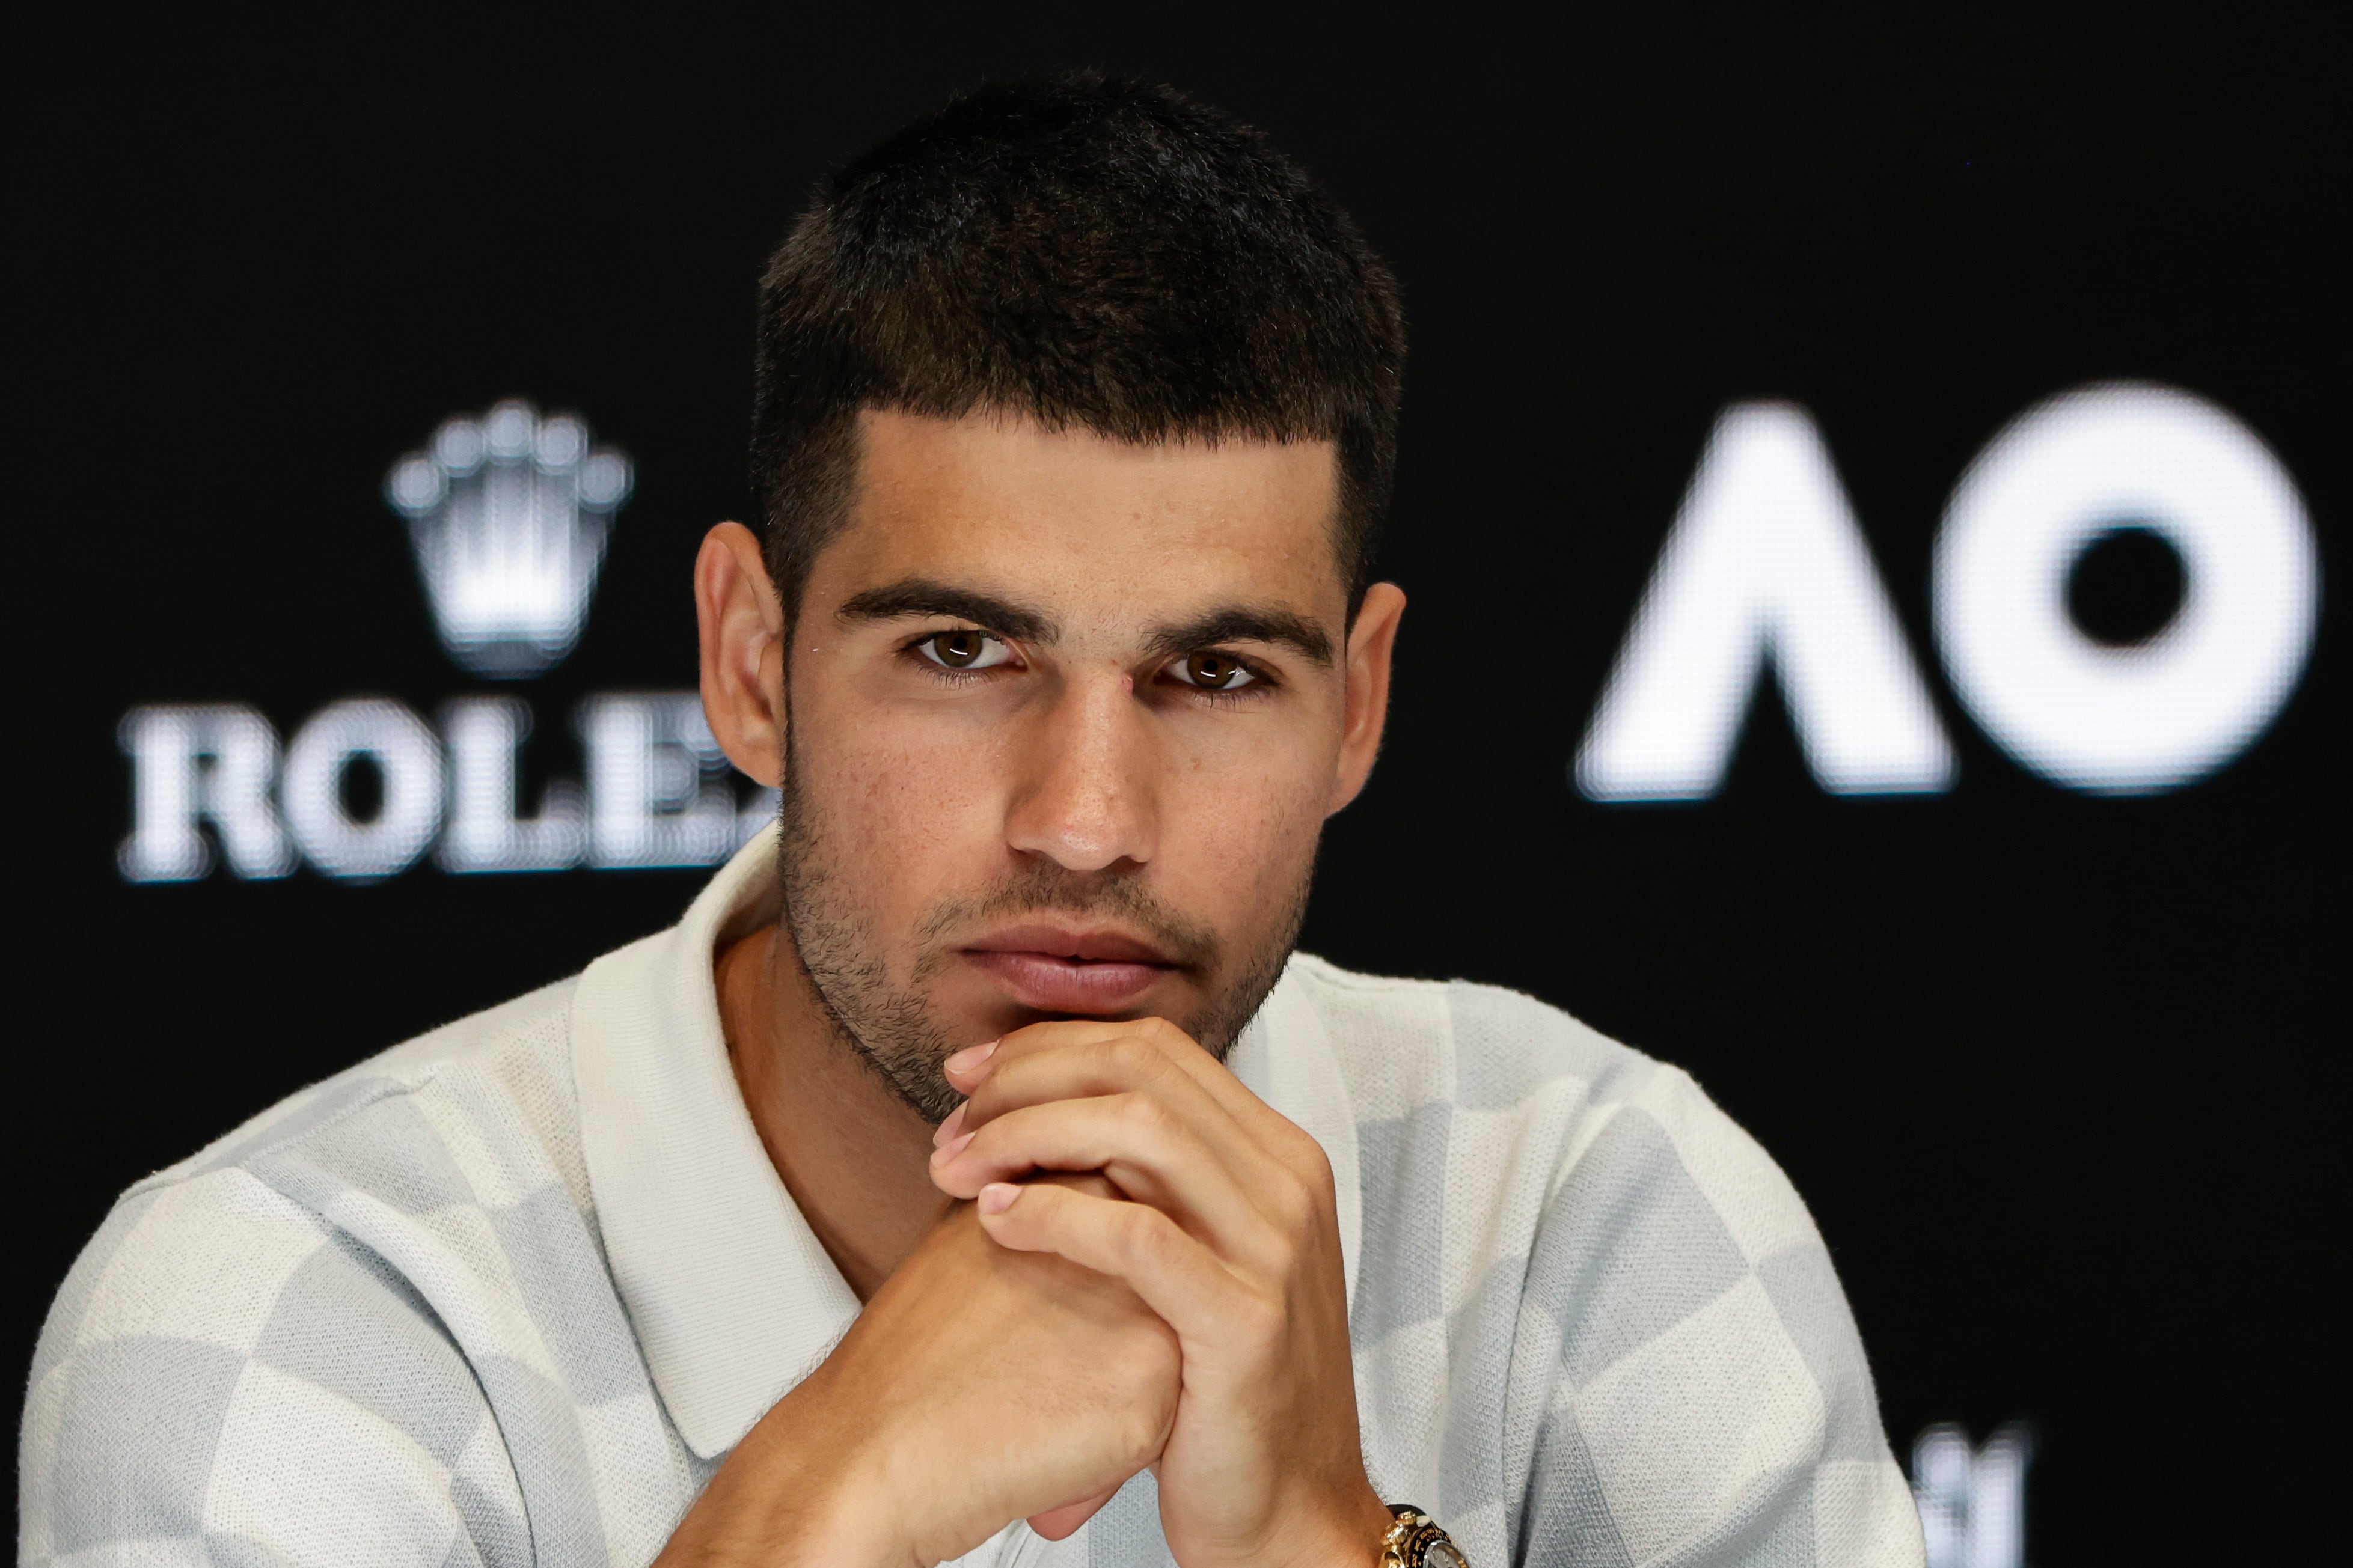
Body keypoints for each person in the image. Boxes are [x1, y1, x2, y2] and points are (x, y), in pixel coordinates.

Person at [20, 73, 1926, 1568]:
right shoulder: (297, 1308)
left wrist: (1322, 1549)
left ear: (1358, 704)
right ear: (750, 659)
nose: (1089, 819)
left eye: (1212, 675)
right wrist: (820, 1502)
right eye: (962, 648)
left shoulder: (1590, 1215)